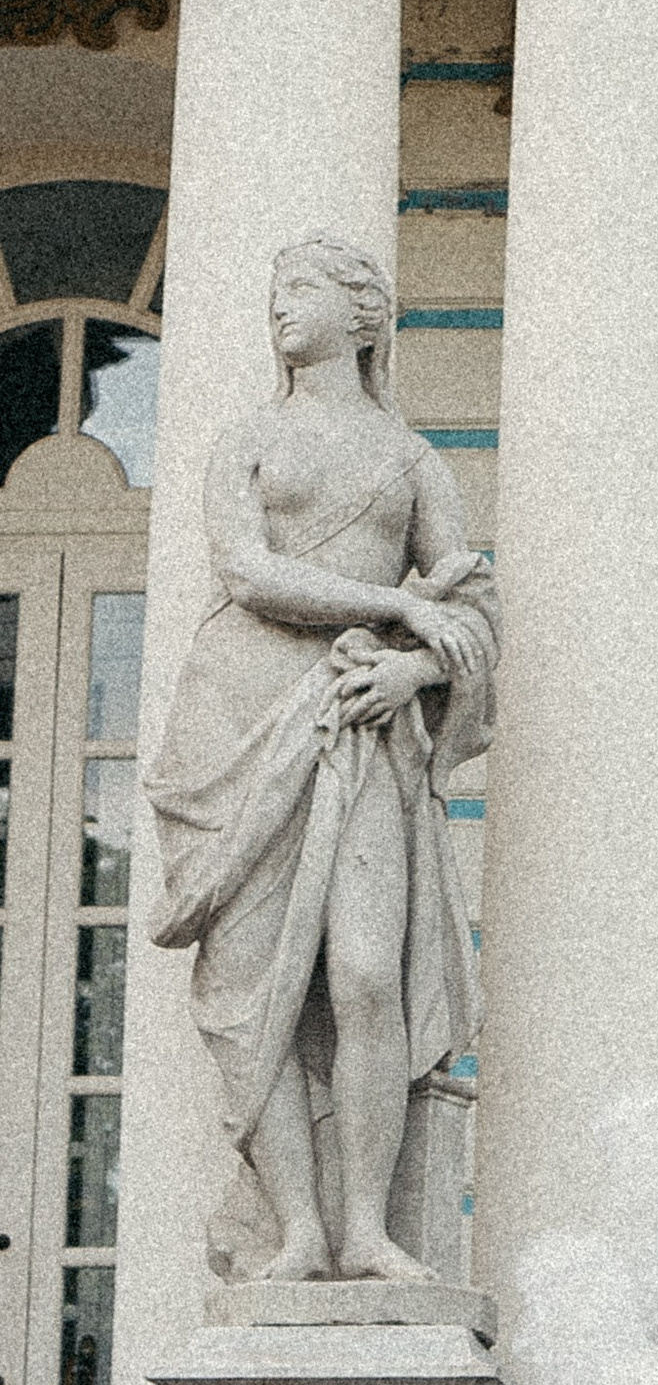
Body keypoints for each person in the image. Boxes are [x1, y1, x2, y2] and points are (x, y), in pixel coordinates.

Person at [145, 232, 498, 1285]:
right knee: (267, 995)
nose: (279, 308)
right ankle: (298, 1229)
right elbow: (248, 572)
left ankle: (366, 1230)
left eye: (300, 289)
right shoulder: (247, 439)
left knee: (364, 975)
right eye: (274, 290)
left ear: (365, 316)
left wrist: (412, 678)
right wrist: (397, 609)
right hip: (240, 717)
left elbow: (471, 602)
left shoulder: (409, 458)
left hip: (360, 723)